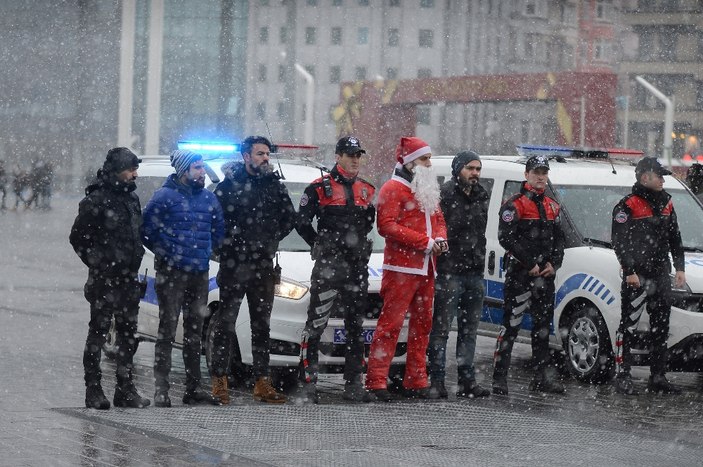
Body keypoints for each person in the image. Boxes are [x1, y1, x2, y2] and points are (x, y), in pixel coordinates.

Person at [209, 136, 295, 404]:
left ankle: (262, 382)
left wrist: (270, 240)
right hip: (235, 266)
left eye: (267, 153)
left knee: (262, 325)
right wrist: (230, 247)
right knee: (225, 324)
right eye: (259, 154)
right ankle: (219, 382)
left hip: (262, 266)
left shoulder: (274, 186)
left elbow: (289, 218)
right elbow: (215, 224)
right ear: (246, 157)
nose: (265, 158)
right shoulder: (227, 188)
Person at [365, 136, 447, 401]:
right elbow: (386, 226)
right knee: (390, 325)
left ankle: (416, 378)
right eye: (424, 159)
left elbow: (439, 220)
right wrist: (425, 242)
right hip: (401, 268)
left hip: (427, 268)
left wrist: (441, 240)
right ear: (411, 162)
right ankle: (376, 380)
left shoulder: (426, 189)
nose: (429, 163)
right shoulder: (392, 188)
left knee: (423, 325)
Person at [296, 136, 377, 403]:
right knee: (316, 325)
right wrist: (318, 245)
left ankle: (353, 383)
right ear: (338, 156)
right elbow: (302, 222)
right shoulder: (319, 188)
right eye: (350, 154)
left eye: (358, 155)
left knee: (356, 326)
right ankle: (308, 383)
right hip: (329, 268)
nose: (355, 159)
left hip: (357, 269)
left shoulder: (367, 189)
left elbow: (368, 224)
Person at [142, 149, 225, 407]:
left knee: (193, 333)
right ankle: (162, 389)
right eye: (197, 167)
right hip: (172, 273)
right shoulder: (164, 197)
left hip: (199, 273)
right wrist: (166, 252)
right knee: (167, 330)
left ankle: (193, 388)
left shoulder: (209, 199)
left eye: (202, 167)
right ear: (184, 170)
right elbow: (145, 231)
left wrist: (207, 251)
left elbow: (218, 230)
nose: (202, 172)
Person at [69, 147, 150, 409]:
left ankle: (125, 389)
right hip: (105, 280)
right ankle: (93, 389)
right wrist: (99, 263)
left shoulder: (132, 199)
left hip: (128, 279)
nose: (134, 174)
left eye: (135, 169)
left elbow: (137, 234)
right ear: (116, 171)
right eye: (130, 169)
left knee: (128, 334)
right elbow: (78, 238)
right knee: (99, 334)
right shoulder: (96, 200)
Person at [611, 157, 685, 395]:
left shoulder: (667, 204)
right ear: (645, 178)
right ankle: (623, 374)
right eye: (659, 176)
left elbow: (675, 238)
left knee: (661, 326)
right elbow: (619, 241)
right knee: (629, 325)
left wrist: (680, 268)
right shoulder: (627, 205)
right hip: (637, 275)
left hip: (661, 274)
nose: (663, 180)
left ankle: (658, 376)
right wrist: (630, 270)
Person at [492, 154, 565, 395]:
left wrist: (554, 263)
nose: (541, 177)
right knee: (511, 325)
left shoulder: (553, 206)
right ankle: (499, 378)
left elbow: (560, 241)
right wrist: (529, 262)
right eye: (536, 173)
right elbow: (506, 237)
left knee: (542, 328)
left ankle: (541, 377)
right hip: (520, 275)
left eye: (544, 173)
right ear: (526, 175)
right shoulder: (515, 204)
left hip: (545, 277)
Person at [427, 150, 491, 399]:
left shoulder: (481, 194)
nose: (475, 173)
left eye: (478, 169)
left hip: (474, 272)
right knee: (441, 329)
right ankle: (438, 380)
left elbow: (481, 231)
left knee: (469, 330)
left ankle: (467, 381)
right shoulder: (444, 194)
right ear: (458, 170)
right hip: (449, 270)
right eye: (470, 168)